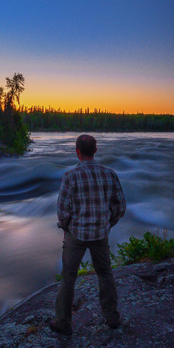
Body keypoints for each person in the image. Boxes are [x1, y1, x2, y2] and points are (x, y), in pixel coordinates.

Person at [50, 134, 126, 335]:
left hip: (76, 233)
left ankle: (63, 323)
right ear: (95, 150)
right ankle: (112, 317)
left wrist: (66, 226)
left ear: (77, 152)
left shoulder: (70, 176)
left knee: (68, 277)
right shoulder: (109, 174)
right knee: (105, 273)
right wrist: (108, 223)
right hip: (100, 233)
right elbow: (120, 206)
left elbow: (62, 210)